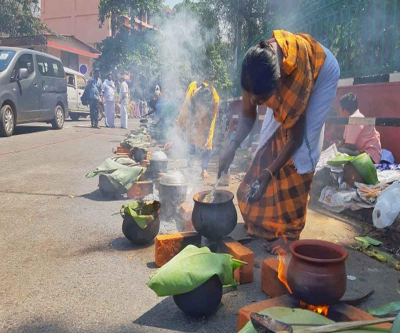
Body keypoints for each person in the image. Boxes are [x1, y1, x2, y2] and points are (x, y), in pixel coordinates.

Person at [218, 30, 340, 253]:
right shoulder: (253, 68)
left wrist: (269, 172)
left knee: (302, 153)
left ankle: (290, 234)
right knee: (267, 143)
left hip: (320, 73)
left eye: (261, 99)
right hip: (287, 73)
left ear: (278, 85)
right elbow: (248, 114)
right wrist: (232, 146)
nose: (255, 102)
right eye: (251, 95)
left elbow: (295, 138)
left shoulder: (294, 80)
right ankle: (267, 224)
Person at [166, 81, 220, 179]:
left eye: (202, 109)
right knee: (190, 139)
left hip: (206, 120)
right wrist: (173, 139)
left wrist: (205, 136)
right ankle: (189, 167)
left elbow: (211, 122)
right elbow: (181, 119)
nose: (199, 112)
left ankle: (204, 169)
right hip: (191, 119)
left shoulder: (214, 101)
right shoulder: (189, 100)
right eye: (198, 109)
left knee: (207, 143)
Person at [337, 93, 382, 163]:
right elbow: (344, 140)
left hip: (369, 156)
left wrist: (335, 150)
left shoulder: (354, 119)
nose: (338, 112)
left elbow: (348, 145)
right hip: (370, 154)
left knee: (339, 152)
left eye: (339, 109)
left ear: (345, 111)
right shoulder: (355, 117)